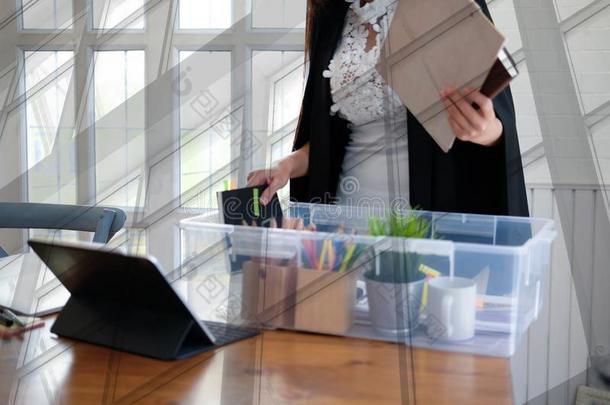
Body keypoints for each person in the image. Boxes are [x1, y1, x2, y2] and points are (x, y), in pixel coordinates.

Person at [247, 0, 528, 217]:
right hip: (348, 215)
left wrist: (485, 131)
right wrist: (284, 167)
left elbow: (496, 125)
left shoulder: (443, 7)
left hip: (430, 220)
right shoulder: (331, 15)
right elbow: (330, 140)